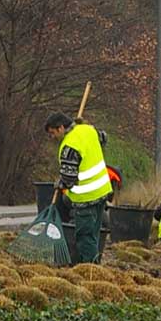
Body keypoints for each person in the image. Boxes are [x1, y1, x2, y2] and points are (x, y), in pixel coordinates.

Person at [45, 112, 112, 263]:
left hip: (86, 199)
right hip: (102, 193)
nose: (52, 137)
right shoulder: (88, 129)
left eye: (52, 133)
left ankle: (90, 271)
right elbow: (103, 138)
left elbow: (69, 180)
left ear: (61, 128)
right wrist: (83, 125)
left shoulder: (69, 147)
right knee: (94, 234)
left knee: (84, 237)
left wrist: (59, 183)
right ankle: (95, 266)